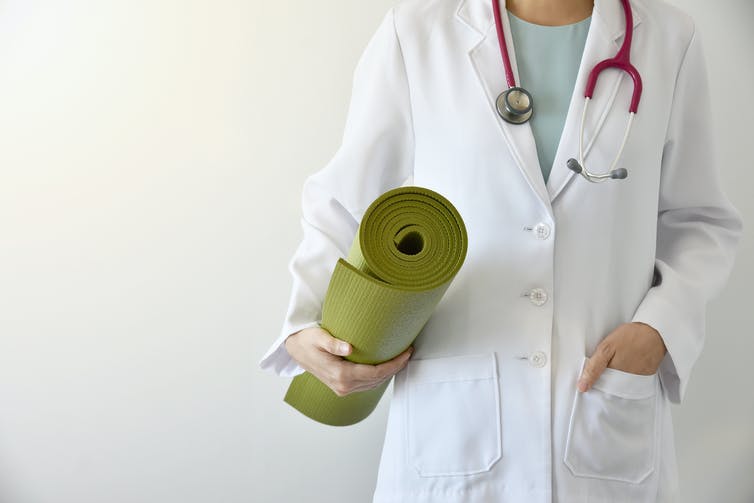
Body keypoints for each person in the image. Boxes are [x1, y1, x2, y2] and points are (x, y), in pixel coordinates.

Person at [260, 0, 742, 500]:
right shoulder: (418, 33)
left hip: (601, 417)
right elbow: (342, 204)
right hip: (452, 426)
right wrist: (303, 322)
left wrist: (660, 328)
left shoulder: (668, 38)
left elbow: (699, 220)